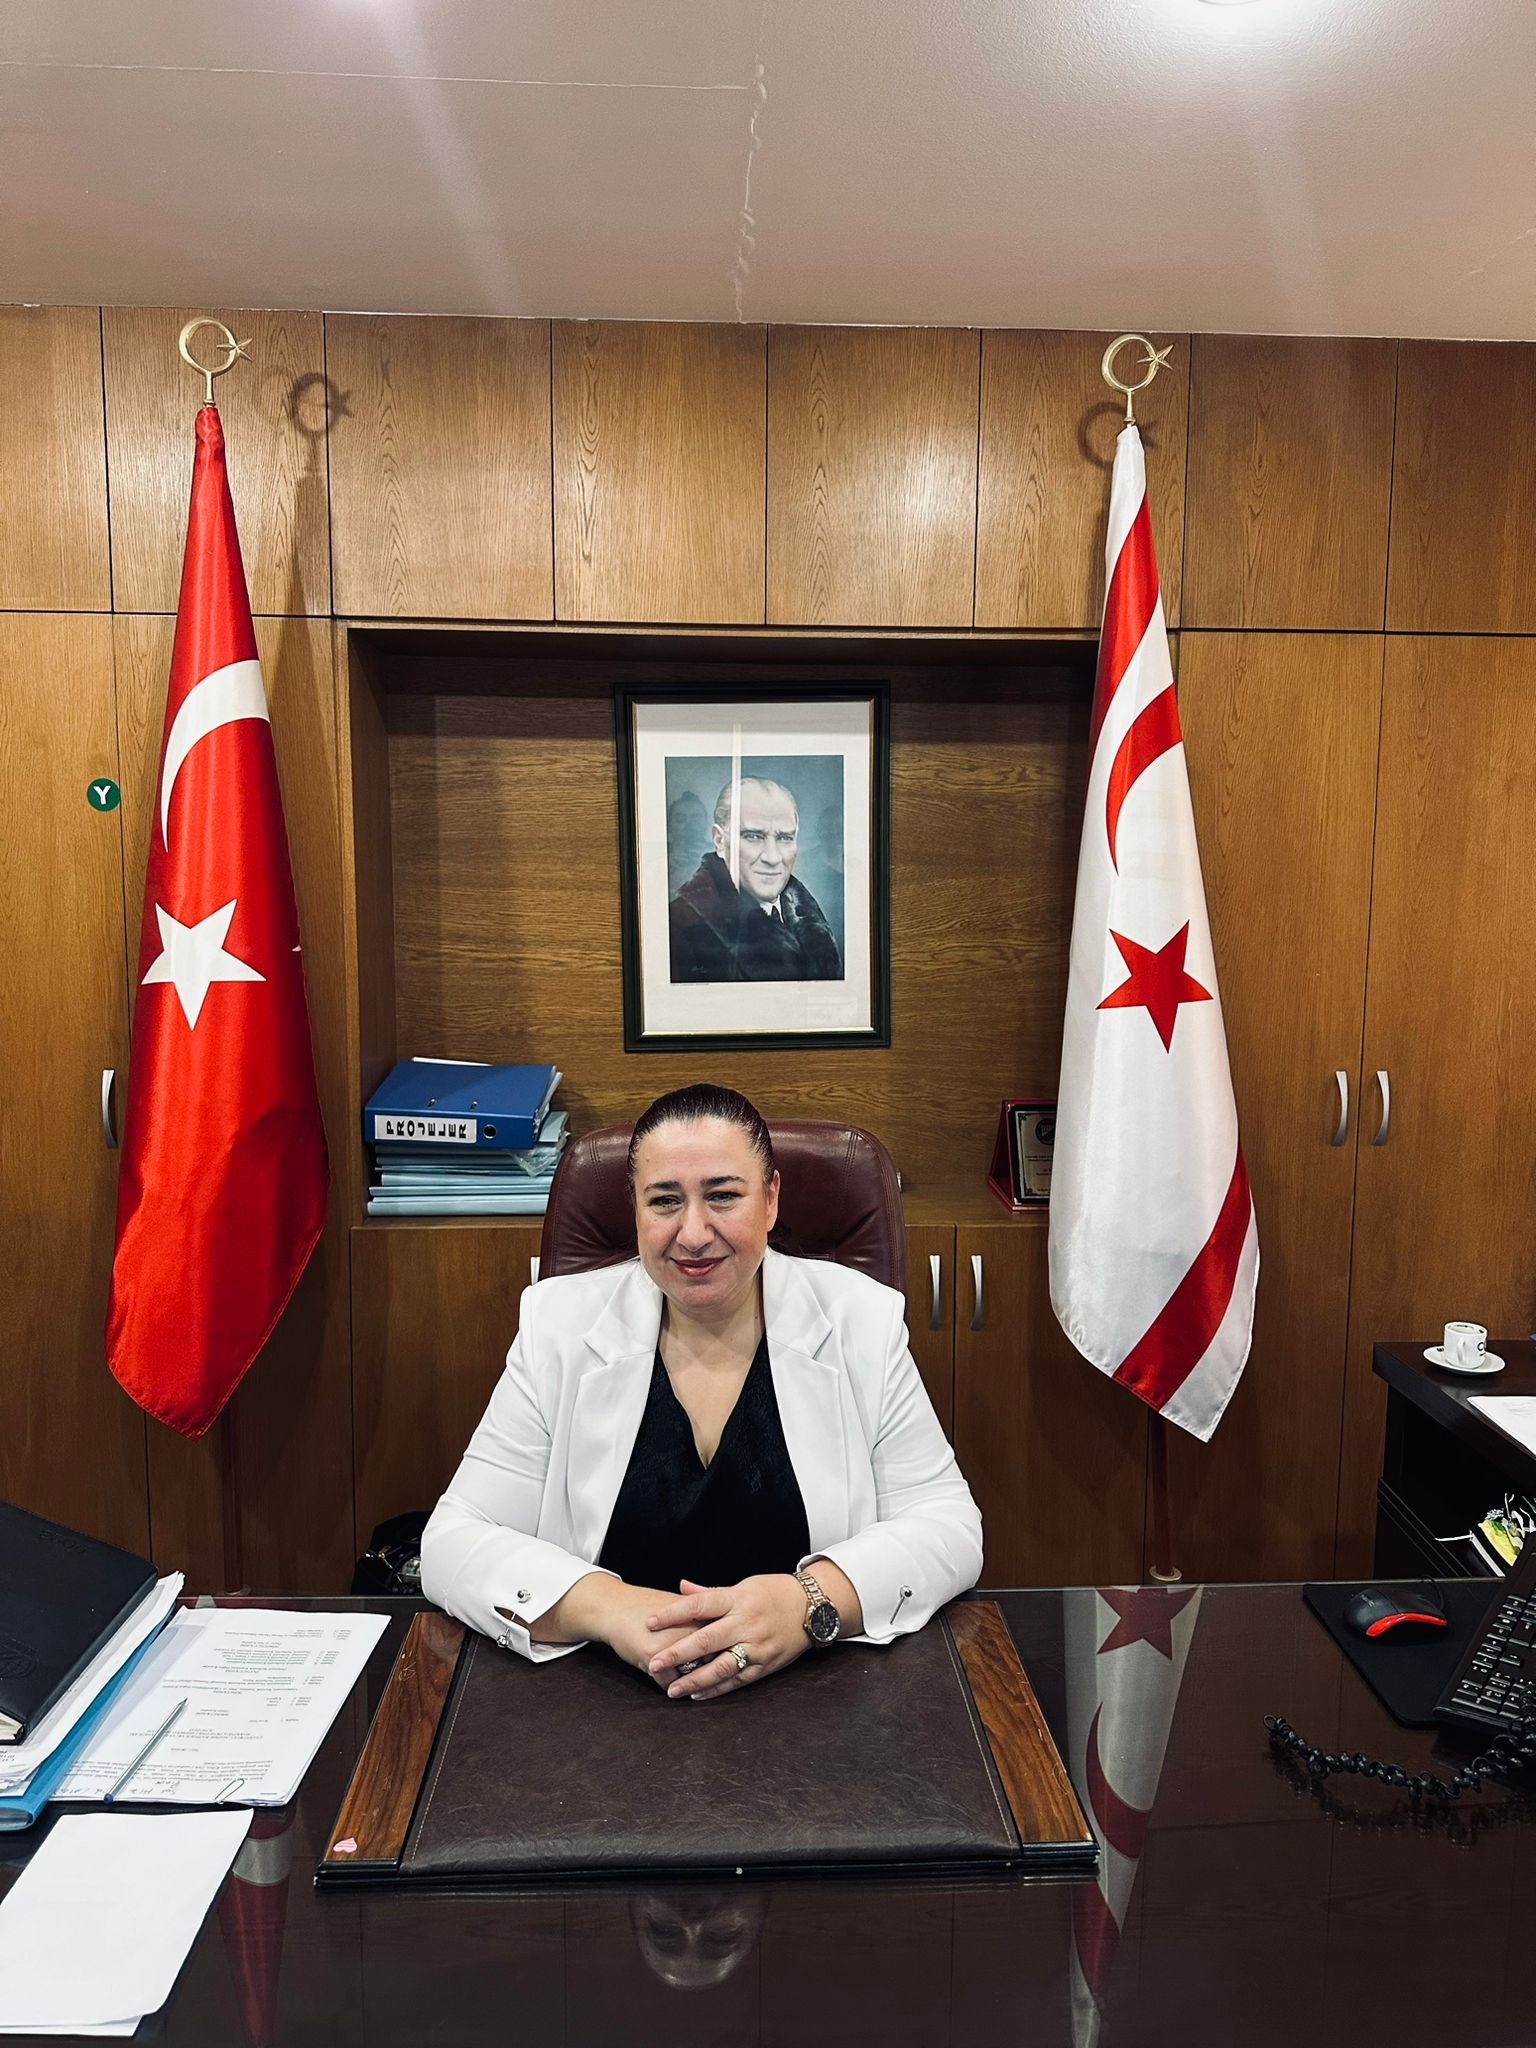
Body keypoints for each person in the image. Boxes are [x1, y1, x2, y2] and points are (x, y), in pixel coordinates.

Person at [420, 1084, 982, 1703]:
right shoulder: (558, 1327)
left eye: (723, 1196)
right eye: (664, 1201)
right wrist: (611, 1608)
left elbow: (948, 1526)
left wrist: (807, 1601)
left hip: (820, 1695)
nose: (692, 1233)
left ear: (770, 1199)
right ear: (635, 1209)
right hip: (606, 1700)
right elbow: (452, 1541)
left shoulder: (860, 1321)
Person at [668, 776, 842, 983]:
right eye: (753, 836)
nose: (773, 858)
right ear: (720, 840)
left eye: (785, 838)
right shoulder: (682, 924)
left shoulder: (805, 912)